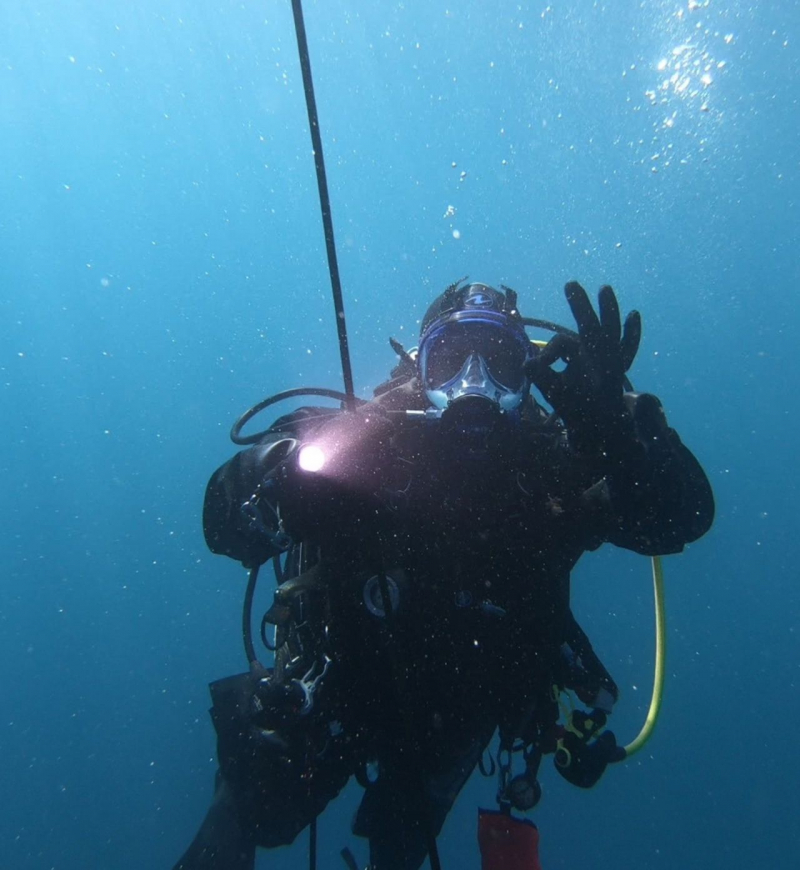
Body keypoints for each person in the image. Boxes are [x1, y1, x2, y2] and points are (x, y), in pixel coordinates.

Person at [172, 279, 714, 870]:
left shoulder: (559, 462)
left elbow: (678, 518)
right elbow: (223, 524)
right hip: (344, 679)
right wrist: (275, 477)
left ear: (528, 375)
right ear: (419, 369)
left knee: (405, 837)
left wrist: (622, 439)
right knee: (257, 807)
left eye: (501, 364)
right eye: (452, 361)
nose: (474, 385)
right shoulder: (363, 444)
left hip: (465, 704)